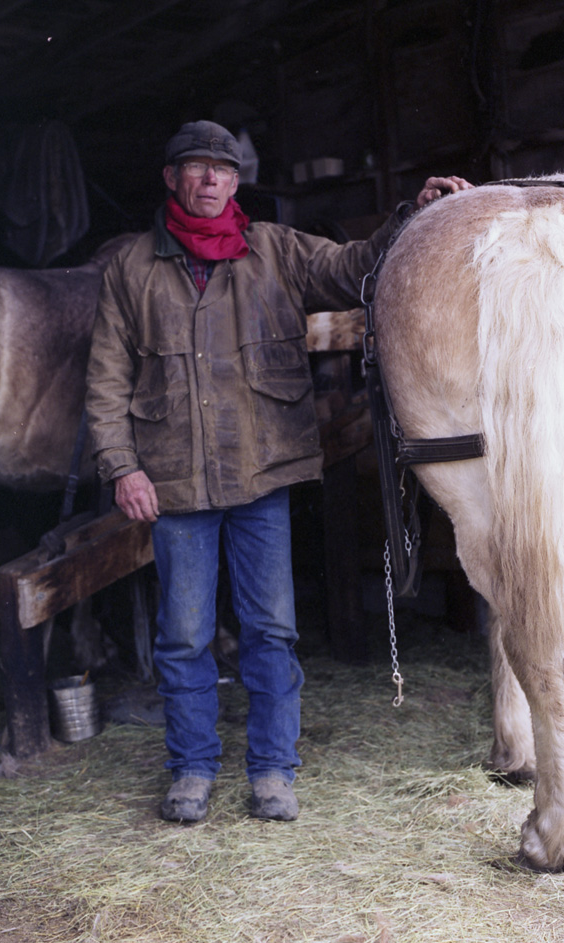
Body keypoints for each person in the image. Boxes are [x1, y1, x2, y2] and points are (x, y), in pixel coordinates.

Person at [85, 120, 471, 823]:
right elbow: (107, 382)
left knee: (271, 630)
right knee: (184, 635)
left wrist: (411, 214)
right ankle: (193, 767)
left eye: (223, 171)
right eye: (197, 168)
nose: (211, 180)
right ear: (171, 178)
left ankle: (272, 769)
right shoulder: (130, 270)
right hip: (174, 483)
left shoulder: (275, 250)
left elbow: (356, 267)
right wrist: (121, 467)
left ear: (238, 183)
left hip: (261, 475)